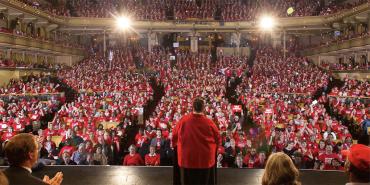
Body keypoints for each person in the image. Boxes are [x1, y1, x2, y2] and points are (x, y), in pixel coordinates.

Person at [173, 97, 220, 185]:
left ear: (193, 107)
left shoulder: (183, 120)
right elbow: (217, 139)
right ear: (203, 108)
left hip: (187, 159)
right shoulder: (210, 123)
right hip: (205, 160)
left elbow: (174, 137)